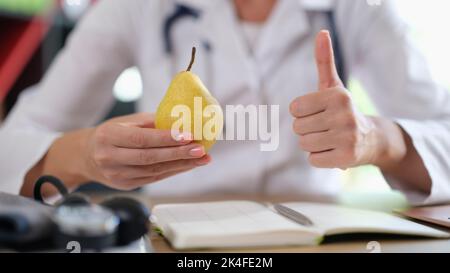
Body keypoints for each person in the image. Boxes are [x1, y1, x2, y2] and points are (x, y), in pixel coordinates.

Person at [1, 0, 449, 205]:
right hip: (177, 243)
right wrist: (83, 155)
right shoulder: (135, 8)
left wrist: (381, 140)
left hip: (314, 237)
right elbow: (10, 149)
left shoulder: (360, 8)